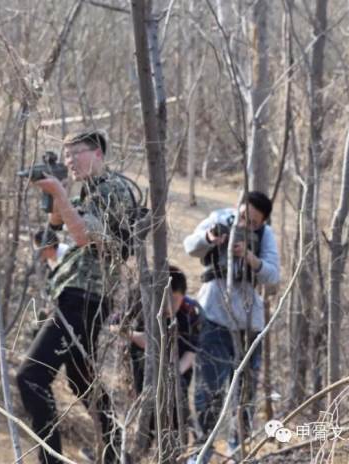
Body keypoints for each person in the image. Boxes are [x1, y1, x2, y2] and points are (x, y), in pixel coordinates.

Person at [16, 130, 136, 464]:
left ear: (97, 152)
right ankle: (116, 453)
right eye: (65, 156)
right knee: (83, 383)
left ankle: (52, 459)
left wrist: (58, 192)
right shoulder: (88, 193)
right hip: (79, 297)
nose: (69, 161)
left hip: (84, 300)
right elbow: (54, 230)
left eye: (76, 154)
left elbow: (85, 237)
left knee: (31, 377)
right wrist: (57, 198)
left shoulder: (113, 189)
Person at [182, 191, 280, 459]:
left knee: (245, 394)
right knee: (207, 392)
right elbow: (190, 246)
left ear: (261, 223)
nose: (246, 223)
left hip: (249, 323)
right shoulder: (218, 219)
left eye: (253, 222)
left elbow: (273, 276)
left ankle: (239, 451)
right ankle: (202, 451)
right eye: (243, 216)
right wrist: (209, 239)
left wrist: (250, 257)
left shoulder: (266, 236)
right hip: (213, 316)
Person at [113, 265, 201, 430]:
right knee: (148, 410)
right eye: (164, 299)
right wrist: (136, 336)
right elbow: (114, 324)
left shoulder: (190, 311)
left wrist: (175, 372)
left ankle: (177, 449)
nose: (169, 307)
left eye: (175, 300)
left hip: (178, 367)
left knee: (176, 411)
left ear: (183, 295)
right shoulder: (140, 300)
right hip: (143, 363)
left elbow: (192, 351)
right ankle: (144, 448)